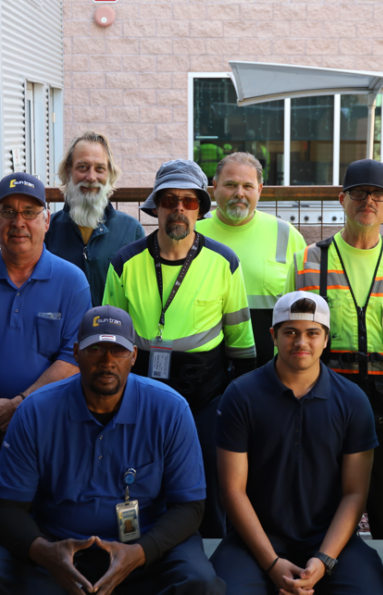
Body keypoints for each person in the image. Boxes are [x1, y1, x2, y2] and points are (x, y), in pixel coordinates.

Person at [0, 306, 225, 595]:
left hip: (145, 546)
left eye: (118, 350)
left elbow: (190, 506)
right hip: (55, 544)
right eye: (95, 349)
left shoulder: (170, 409)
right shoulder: (35, 411)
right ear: (75, 353)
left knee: (200, 581)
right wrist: (44, 552)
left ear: (134, 356)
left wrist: (141, 552)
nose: (107, 361)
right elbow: (6, 507)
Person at [103, 159, 256, 539]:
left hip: (205, 397)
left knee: (205, 486)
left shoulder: (225, 263)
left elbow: (241, 346)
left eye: (189, 202)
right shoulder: (124, 263)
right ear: (156, 206)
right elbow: (111, 344)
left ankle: (206, 566)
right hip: (139, 396)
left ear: (201, 209)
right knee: (138, 481)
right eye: (170, 200)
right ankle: (137, 557)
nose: (179, 209)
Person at [288, 158, 383, 540]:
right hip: (327, 396)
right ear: (342, 199)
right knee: (325, 496)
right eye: (358, 192)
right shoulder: (307, 261)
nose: (368, 200)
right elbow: (290, 341)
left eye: (378, 194)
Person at [212, 291, 383, 595]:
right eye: (290, 332)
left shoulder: (353, 401)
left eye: (312, 333)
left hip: (331, 542)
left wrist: (323, 560)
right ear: (274, 335)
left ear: (326, 338)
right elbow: (232, 490)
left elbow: (355, 493)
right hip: (254, 541)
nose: (301, 342)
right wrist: (271, 563)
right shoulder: (240, 396)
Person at [0, 172, 90, 440]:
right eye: (8, 211)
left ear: (46, 221)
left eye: (29, 212)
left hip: (50, 424)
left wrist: (19, 405)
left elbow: (73, 357)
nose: (18, 222)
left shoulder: (72, 281)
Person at [195, 152, 307, 367]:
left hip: (272, 365)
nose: (239, 193)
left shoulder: (286, 234)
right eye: (230, 185)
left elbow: (303, 304)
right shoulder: (194, 233)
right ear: (214, 187)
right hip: (207, 364)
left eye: (248, 186)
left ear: (260, 189)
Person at [45, 131, 145, 307]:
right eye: (82, 167)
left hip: (112, 332)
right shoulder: (47, 230)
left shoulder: (131, 231)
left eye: (100, 168)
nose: (91, 177)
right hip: (60, 333)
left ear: (110, 174)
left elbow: (141, 295)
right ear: (69, 172)